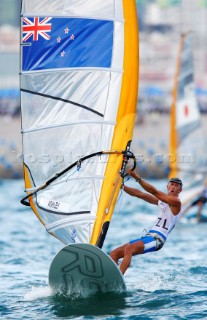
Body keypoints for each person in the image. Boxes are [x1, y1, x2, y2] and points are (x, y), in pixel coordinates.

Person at [110, 169, 182, 275]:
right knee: (114, 254)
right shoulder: (162, 202)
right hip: (148, 236)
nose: (173, 187)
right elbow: (139, 194)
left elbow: (154, 192)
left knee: (129, 249)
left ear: (180, 190)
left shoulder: (176, 202)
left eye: (176, 186)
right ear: (168, 187)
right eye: (171, 184)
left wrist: (136, 177)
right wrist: (121, 186)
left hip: (157, 239)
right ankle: (112, 278)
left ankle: (119, 279)